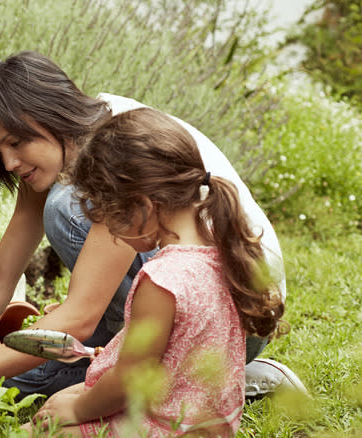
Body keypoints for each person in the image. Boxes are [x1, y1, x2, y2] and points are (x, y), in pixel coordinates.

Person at [0, 51, 303, 438]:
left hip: (235, 320)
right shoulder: (58, 148)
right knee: (16, 386)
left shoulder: (118, 151)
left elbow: (79, 319)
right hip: (201, 305)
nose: (8, 163)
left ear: (50, 114)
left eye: (15, 142)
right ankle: (171, 374)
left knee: (63, 209)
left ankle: (222, 377)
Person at [24, 106, 287, 437]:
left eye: (111, 217)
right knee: (67, 399)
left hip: (165, 427)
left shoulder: (162, 280)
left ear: (143, 206)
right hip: (208, 423)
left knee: (45, 427)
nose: (115, 236)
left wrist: (77, 409)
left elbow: (128, 382)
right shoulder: (223, 252)